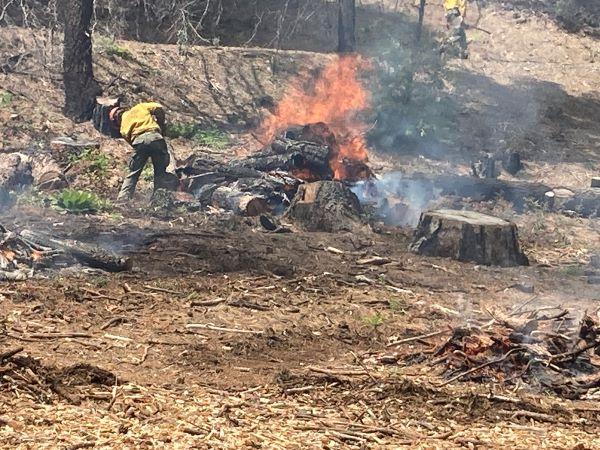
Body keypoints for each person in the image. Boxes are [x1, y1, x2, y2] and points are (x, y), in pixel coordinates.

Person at [108, 102, 170, 200]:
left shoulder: (123, 128)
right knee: (160, 172)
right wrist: (160, 123)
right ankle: (158, 200)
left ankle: (123, 199)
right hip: (156, 137)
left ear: (116, 121)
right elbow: (158, 107)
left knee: (133, 172)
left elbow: (134, 144)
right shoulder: (140, 107)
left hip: (139, 142)